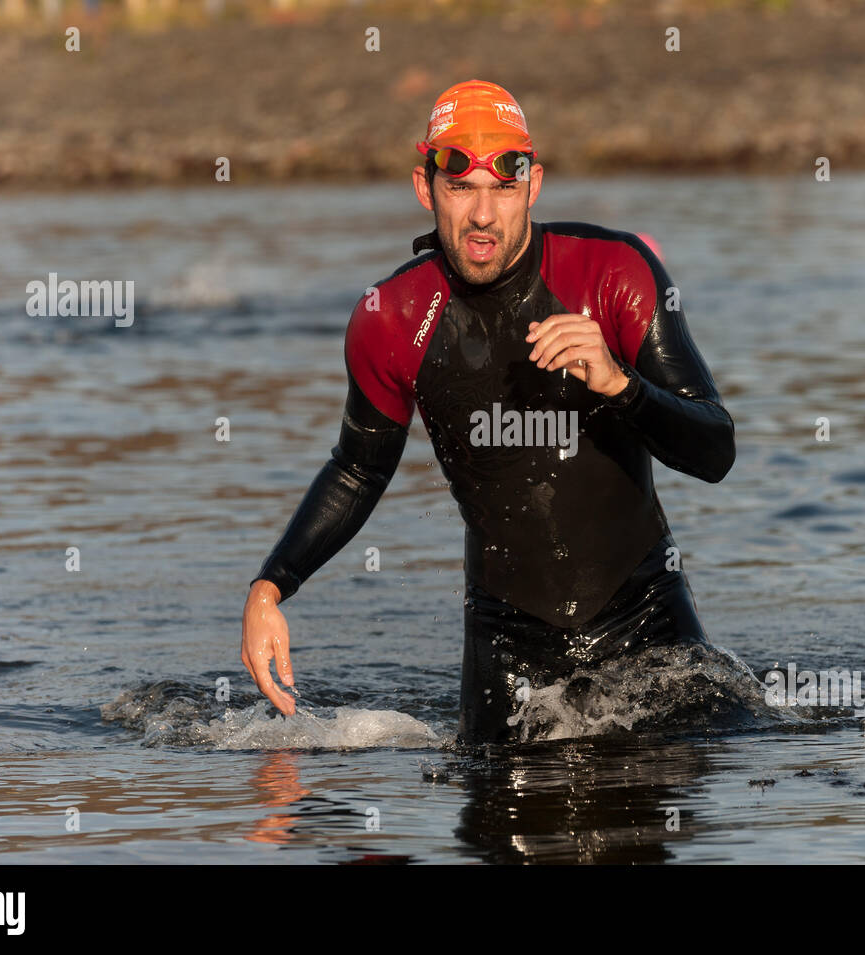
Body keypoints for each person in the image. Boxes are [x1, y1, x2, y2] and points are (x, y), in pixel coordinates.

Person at [242, 80, 737, 744]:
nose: (482, 215)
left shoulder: (615, 274)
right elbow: (359, 470)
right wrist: (271, 587)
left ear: (532, 187)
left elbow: (716, 449)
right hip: (508, 643)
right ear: (426, 187)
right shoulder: (391, 318)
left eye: (502, 188)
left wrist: (622, 386)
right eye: (460, 187)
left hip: (645, 619)